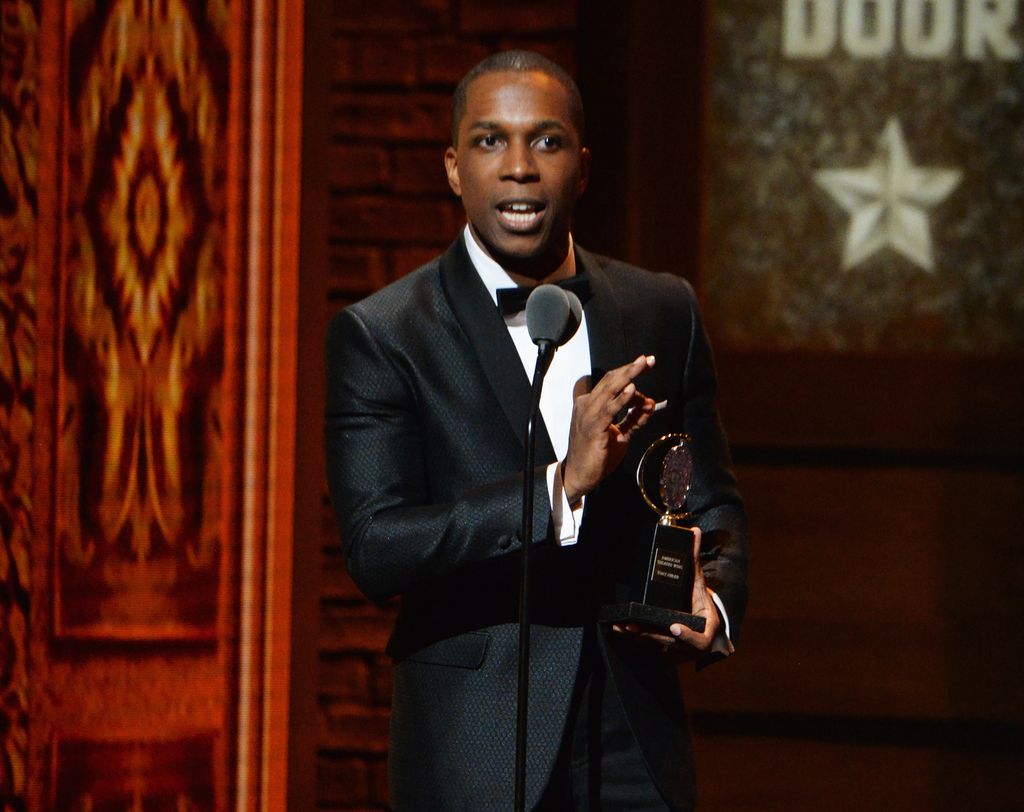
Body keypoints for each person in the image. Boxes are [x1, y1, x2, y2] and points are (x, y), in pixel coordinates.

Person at [325, 50, 747, 811]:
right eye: (490, 141)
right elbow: (378, 549)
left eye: (545, 142)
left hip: (634, 737)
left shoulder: (661, 309)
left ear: (582, 169)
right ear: (453, 168)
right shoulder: (384, 334)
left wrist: (710, 606)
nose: (519, 168)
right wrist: (560, 488)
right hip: (476, 747)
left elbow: (709, 497)